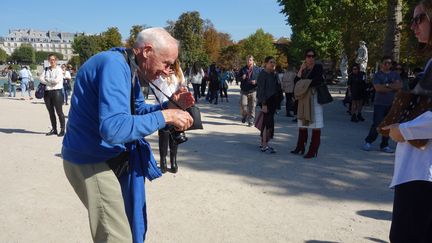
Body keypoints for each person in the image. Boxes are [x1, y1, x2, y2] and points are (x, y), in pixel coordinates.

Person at [62, 28, 194, 242]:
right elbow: (114, 128)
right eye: (167, 63)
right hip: (90, 160)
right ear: (147, 51)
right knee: (117, 237)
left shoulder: (127, 66)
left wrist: (167, 106)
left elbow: (137, 111)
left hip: (105, 156)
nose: (169, 71)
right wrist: (166, 116)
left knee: (127, 230)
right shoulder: (115, 65)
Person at [384, 2, 432, 241]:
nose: (413, 26)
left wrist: (404, 130)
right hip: (418, 167)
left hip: (423, 171)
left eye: (419, 19)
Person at [362, 56, 402, 153]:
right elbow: (378, 89)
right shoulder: (377, 75)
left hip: (391, 103)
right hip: (380, 103)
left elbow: (399, 86)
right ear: (381, 64)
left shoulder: (395, 74)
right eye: (385, 63)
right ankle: (369, 141)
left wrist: (386, 86)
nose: (387, 65)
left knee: (389, 124)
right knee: (377, 123)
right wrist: (391, 86)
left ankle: (384, 144)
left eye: (389, 63)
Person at [152, 59, 186, 174]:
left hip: (176, 107)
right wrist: (163, 76)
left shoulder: (178, 71)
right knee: (163, 135)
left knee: (175, 135)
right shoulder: (160, 70)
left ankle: (173, 161)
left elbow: (182, 84)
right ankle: (163, 161)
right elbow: (156, 88)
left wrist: (182, 89)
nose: (170, 65)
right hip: (162, 106)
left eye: (173, 62)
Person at [291, 49, 325, 159]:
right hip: (303, 98)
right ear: (305, 58)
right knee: (302, 123)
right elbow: (296, 81)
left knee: (316, 125)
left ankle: (313, 149)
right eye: (308, 56)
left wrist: (303, 83)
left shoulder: (318, 67)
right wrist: (301, 69)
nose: (310, 58)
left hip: (314, 97)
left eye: (312, 56)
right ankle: (300, 146)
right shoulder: (304, 69)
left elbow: (317, 81)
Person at [257, 56, 281, 153]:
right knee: (267, 124)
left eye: (274, 62)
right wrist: (263, 104)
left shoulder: (275, 74)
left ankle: (264, 143)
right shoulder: (263, 74)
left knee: (268, 123)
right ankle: (264, 144)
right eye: (271, 62)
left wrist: (279, 103)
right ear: (265, 63)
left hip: (273, 102)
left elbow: (278, 89)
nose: (273, 64)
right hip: (266, 102)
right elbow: (260, 90)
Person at [39, 54, 66, 136]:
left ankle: (62, 130)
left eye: (53, 59)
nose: (52, 61)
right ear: (48, 61)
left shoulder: (59, 70)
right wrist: (49, 81)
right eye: (50, 59)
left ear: (56, 60)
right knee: (51, 112)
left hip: (57, 92)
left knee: (59, 112)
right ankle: (54, 129)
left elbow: (56, 81)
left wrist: (47, 80)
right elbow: (40, 79)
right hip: (47, 93)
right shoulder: (46, 69)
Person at [238, 55, 261, 126]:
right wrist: (242, 77)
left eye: (250, 60)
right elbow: (237, 78)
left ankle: (251, 120)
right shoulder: (242, 69)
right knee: (243, 104)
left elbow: (262, 79)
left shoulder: (258, 69)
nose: (249, 61)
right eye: (248, 60)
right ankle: (244, 114)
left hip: (253, 90)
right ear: (246, 61)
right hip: (244, 90)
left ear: (253, 60)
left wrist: (256, 81)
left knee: (252, 106)